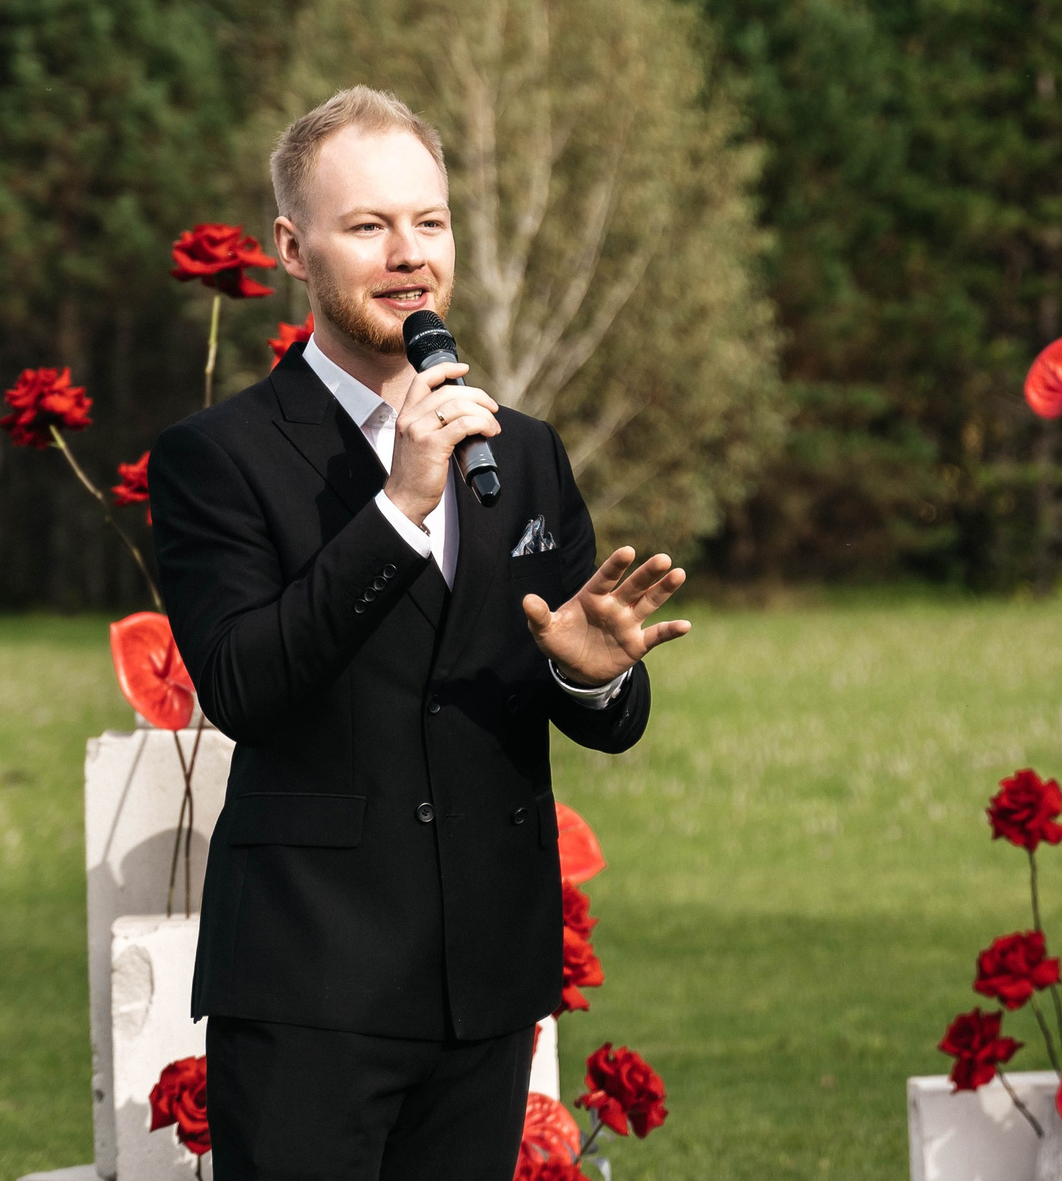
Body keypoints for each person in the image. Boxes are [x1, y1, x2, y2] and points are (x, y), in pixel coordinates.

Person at [149, 85, 692, 1181]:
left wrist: (588, 679)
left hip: (485, 984)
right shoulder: (219, 456)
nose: (409, 254)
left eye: (429, 221)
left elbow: (599, 713)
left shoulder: (522, 452)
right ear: (294, 249)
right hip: (310, 988)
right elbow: (245, 686)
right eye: (368, 226)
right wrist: (396, 507)